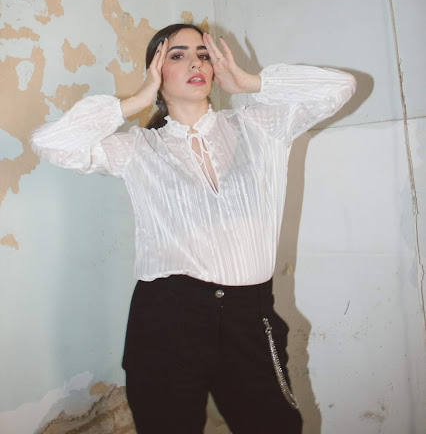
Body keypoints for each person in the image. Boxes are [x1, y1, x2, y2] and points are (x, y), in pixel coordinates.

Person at [30, 23, 356, 433]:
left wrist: (249, 82)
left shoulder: (260, 126)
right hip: (166, 317)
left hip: (248, 316)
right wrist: (136, 100)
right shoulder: (137, 147)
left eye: (203, 54)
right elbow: (50, 143)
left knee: (276, 426)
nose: (195, 63)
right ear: (156, 71)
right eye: (178, 55)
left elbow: (340, 87)